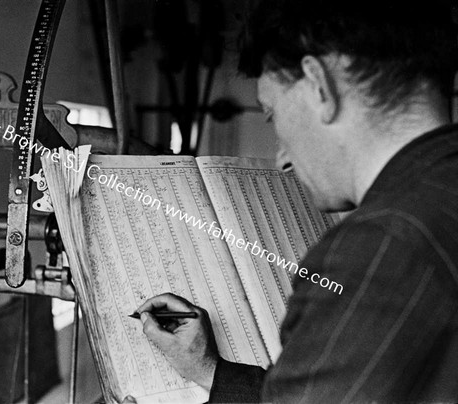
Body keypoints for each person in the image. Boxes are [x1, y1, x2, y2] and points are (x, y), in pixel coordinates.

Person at [135, 0, 458, 402]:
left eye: (273, 115)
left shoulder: (376, 248)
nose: (282, 159)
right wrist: (208, 371)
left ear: (319, 84)